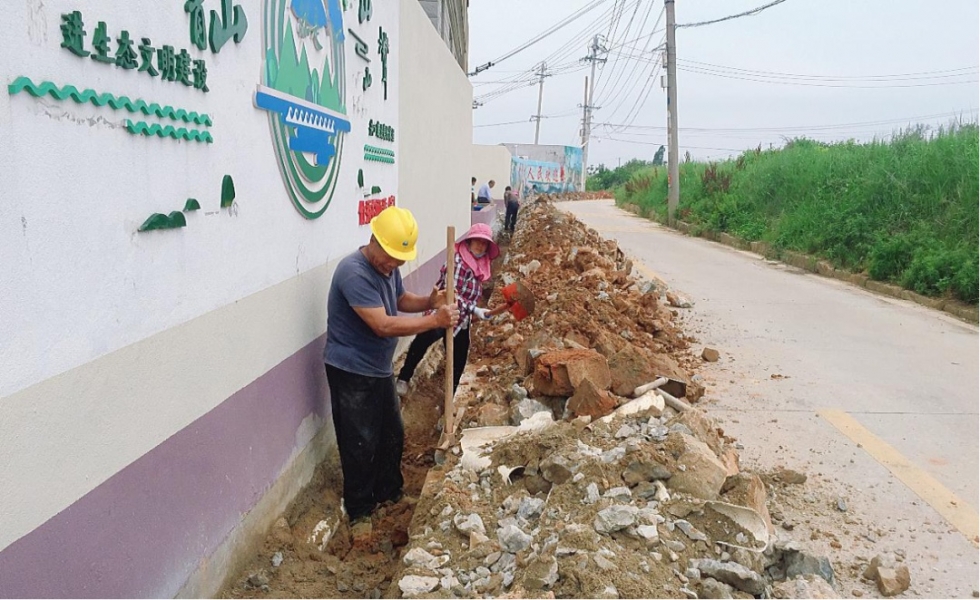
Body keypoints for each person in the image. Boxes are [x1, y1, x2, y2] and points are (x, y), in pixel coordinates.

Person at [323, 206, 459, 538]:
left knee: (392, 433)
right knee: (360, 442)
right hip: (352, 370)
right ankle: (359, 511)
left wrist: (429, 301)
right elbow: (382, 324)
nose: (394, 266)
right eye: (391, 259)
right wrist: (434, 321)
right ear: (374, 240)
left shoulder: (386, 267)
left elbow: (400, 300)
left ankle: (389, 491)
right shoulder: (353, 272)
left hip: (378, 368)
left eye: (399, 261)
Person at [396, 223, 509, 397]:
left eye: (484, 243)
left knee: (459, 357)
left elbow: (472, 293)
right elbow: (452, 294)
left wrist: (475, 311)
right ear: (470, 242)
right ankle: (404, 378)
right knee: (421, 343)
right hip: (442, 311)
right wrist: (475, 309)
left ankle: (451, 396)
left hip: (462, 318)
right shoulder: (457, 261)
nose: (480, 245)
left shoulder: (481, 263)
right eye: (477, 241)